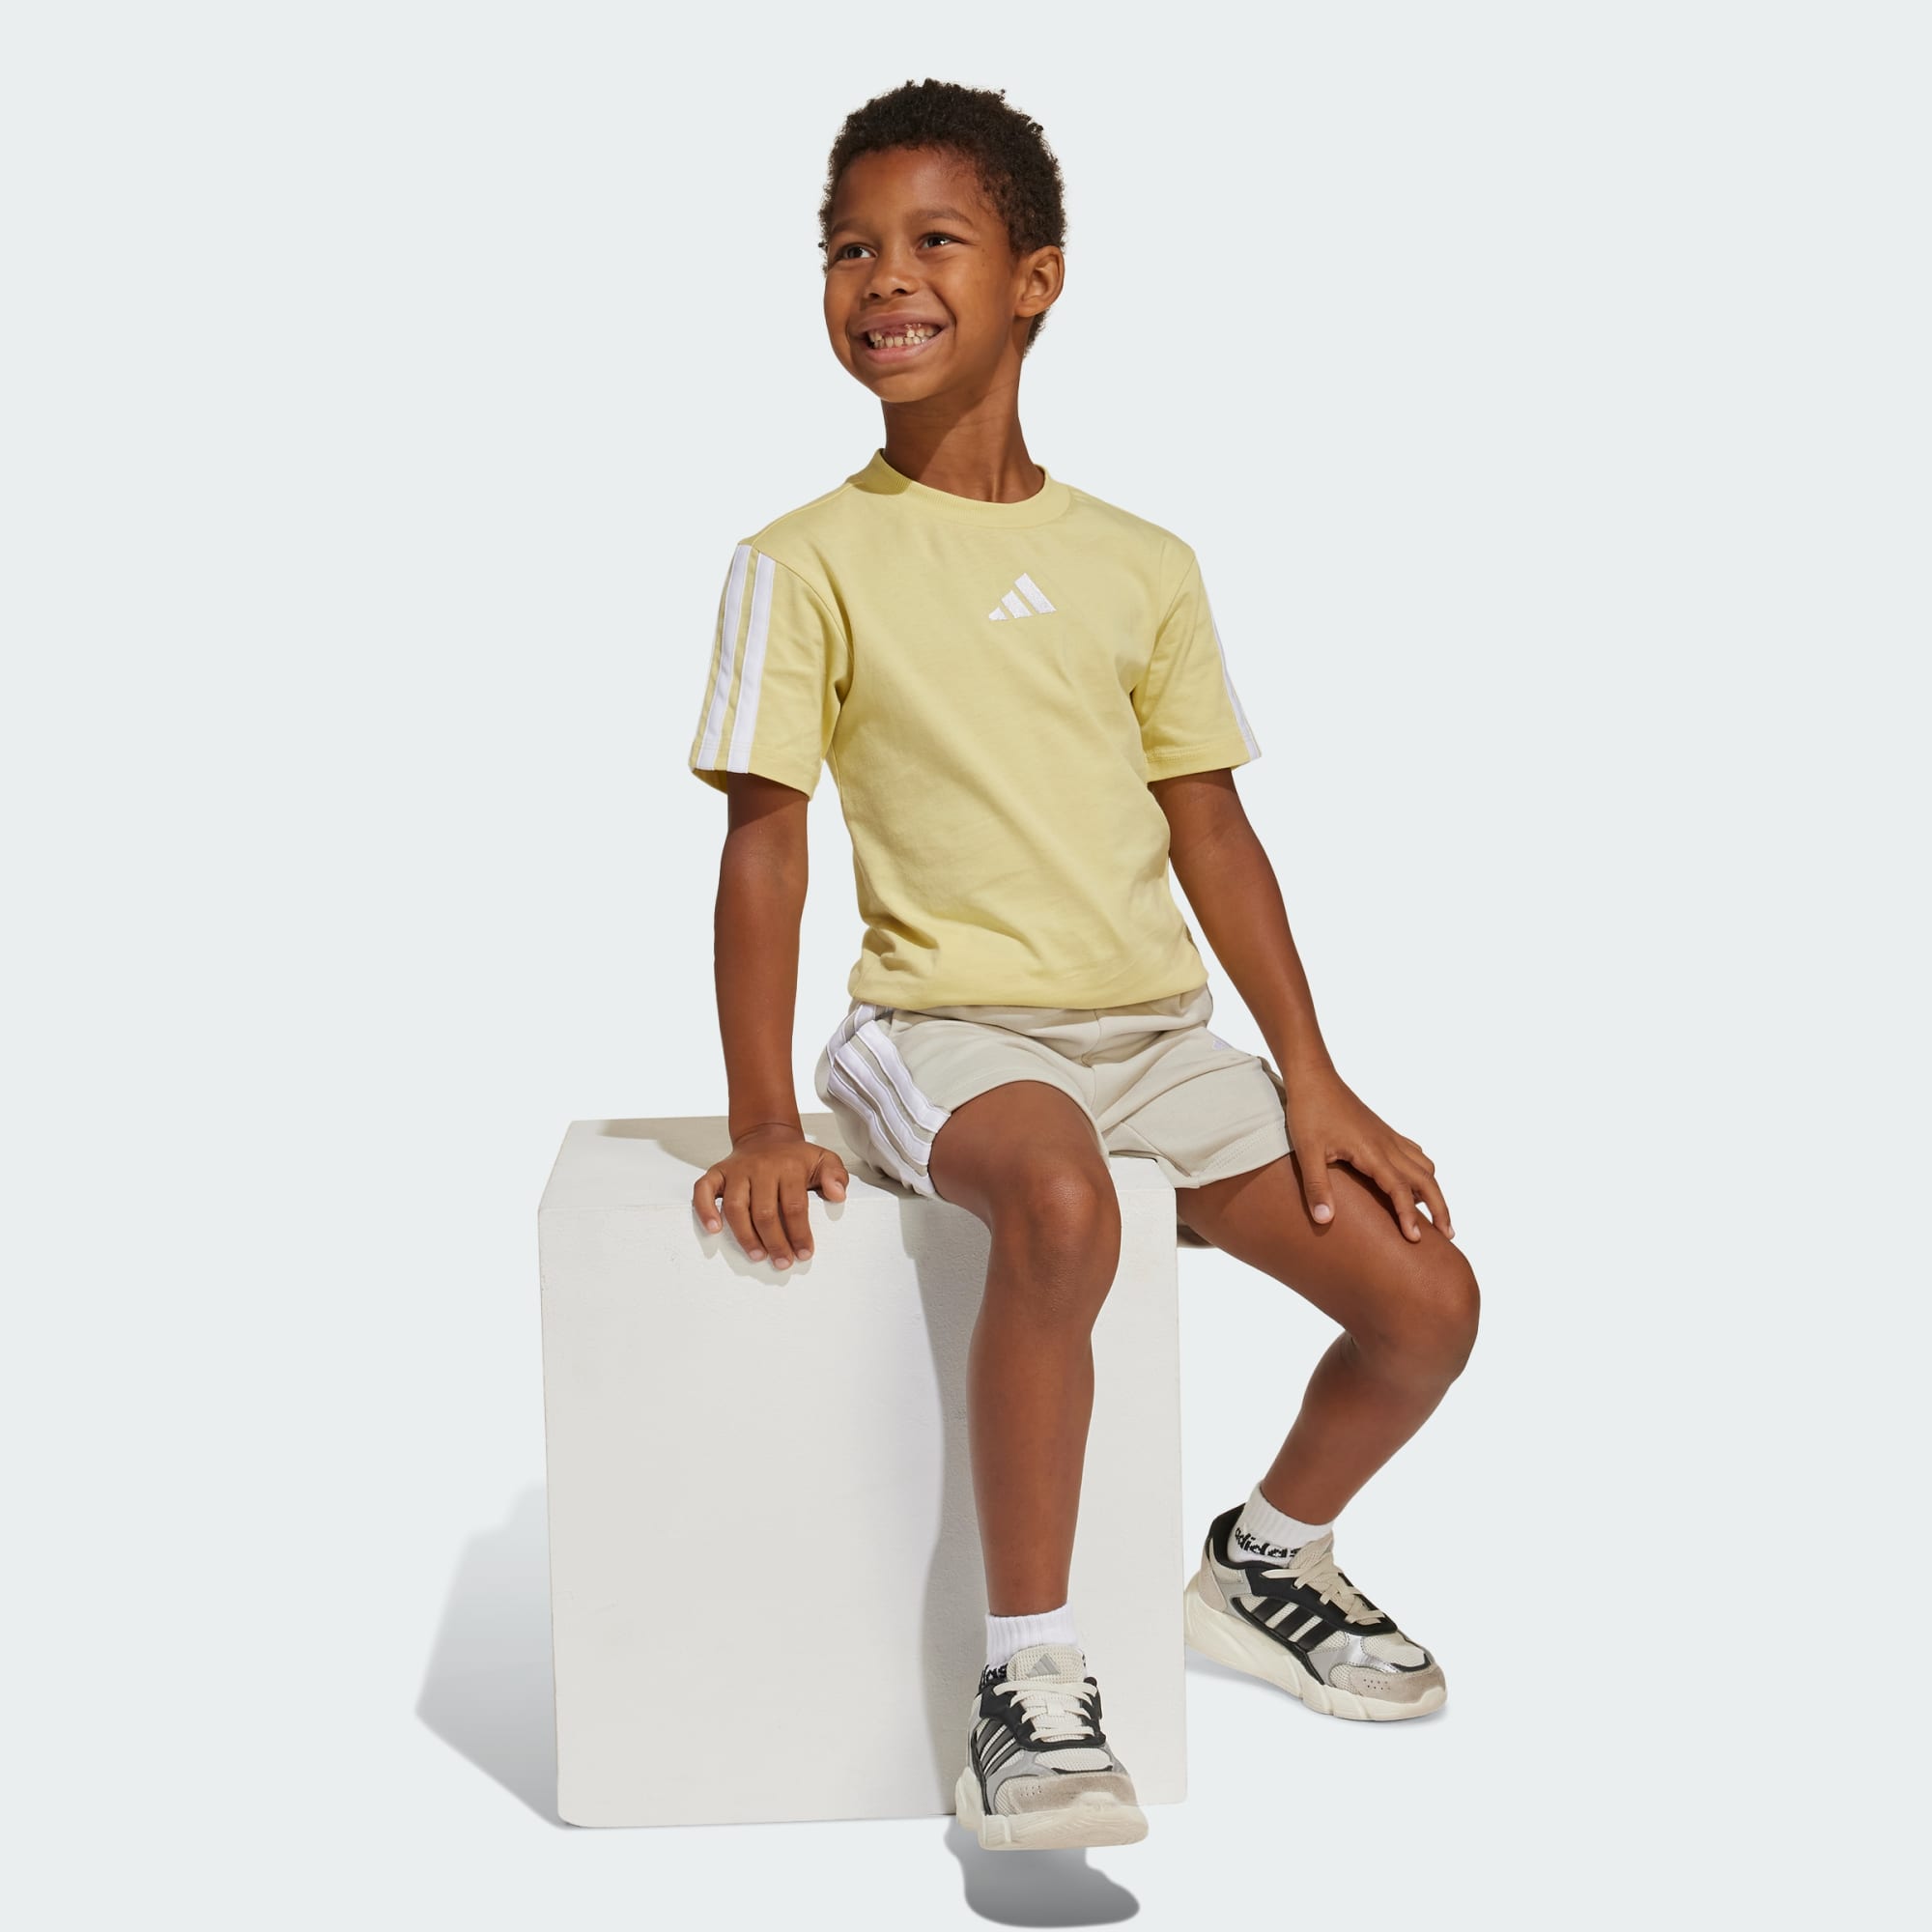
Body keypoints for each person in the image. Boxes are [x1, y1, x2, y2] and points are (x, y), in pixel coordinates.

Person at [687, 77, 1480, 1852]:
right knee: (1060, 1203)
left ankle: (1266, 1561)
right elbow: (765, 850)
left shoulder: (1140, 563)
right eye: (849, 251)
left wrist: (1313, 1079)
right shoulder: (800, 562)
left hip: (1159, 1041)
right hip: (945, 1030)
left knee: (1429, 1302)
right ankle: (1029, 1682)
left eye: (934, 241)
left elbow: (1213, 832)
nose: (885, 279)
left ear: (1036, 279)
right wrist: (758, 1117)